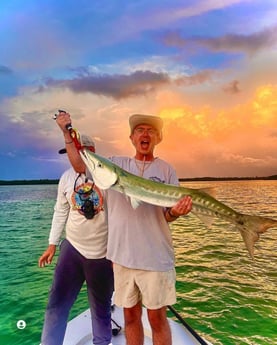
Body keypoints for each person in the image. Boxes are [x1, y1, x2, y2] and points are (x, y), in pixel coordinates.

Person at [56, 113, 192, 345]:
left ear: (158, 138)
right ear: (131, 137)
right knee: (130, 316)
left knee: (157, 319)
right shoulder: (115, 165)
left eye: (150, 130)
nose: (145, 134)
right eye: (139, 130)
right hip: (122, 258)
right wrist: (66, 132)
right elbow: (80, 164)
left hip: (156, 258)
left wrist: (176, 213)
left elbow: (166, 216)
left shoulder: (166, 170)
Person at [38, 134, 114, 345]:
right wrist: (52, 244)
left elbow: (121, 217)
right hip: (72, 249)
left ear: (90, 153)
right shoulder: (65, 178)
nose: (71, 159)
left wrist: (120, 252)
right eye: (69, 154)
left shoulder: (107, 179)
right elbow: (60, 211)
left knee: (101, 308)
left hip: (102, 253)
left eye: (76, 153)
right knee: (56, 304)